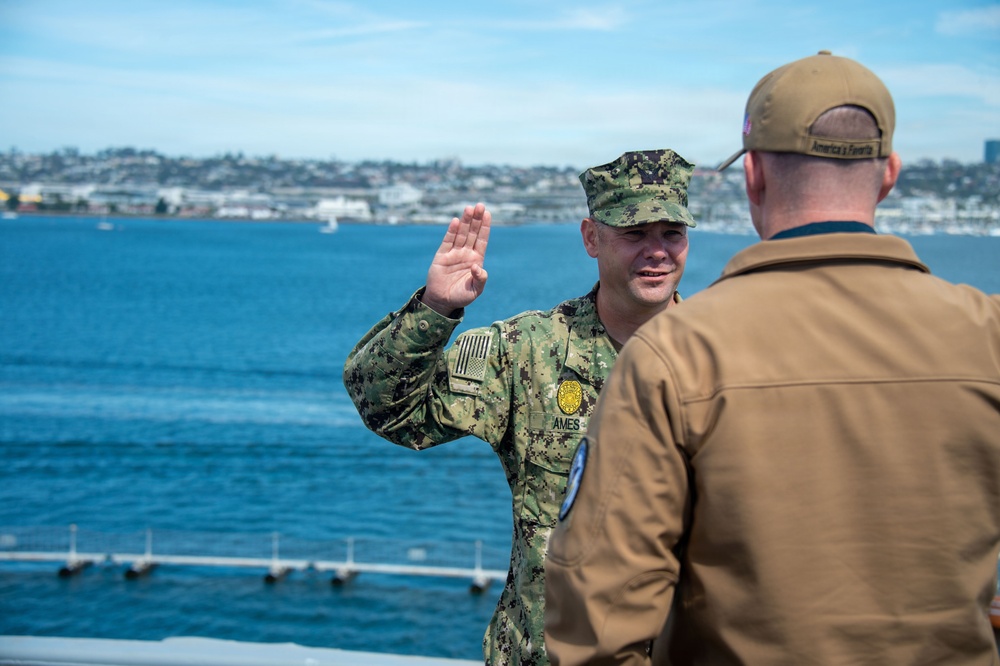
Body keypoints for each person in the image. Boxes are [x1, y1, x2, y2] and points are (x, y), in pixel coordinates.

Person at [545, 51, 1000, 665]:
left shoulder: (674, 353)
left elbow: (598, 623)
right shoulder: (988, 334)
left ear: (753, 175)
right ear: (890, 175)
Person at [343, 149, 698, 666]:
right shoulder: (527, 350)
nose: (657, 252)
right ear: (592, 238)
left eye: (672, 233)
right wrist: (436, 308)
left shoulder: (723, 356)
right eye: (635, 233)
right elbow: (390, 411)